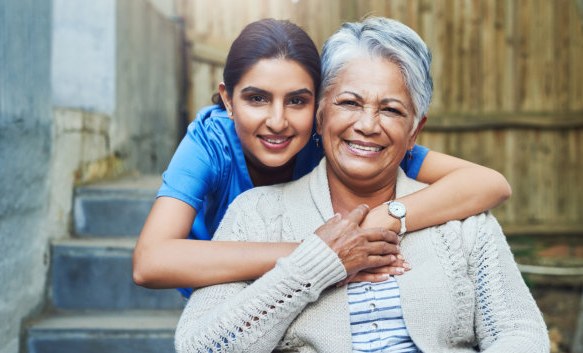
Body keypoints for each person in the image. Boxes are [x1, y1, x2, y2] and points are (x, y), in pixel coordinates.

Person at [174, 17, 549, 353]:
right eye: (350, 103)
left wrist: (388, 218)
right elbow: (201, 346)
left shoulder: (464, 222)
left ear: (415, 130)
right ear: (320, 115)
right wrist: (315, 264)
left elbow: (520, 331)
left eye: (391, 110)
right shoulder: (256, 213)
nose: (368, 125)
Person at [132, 18, 512, 297]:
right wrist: (319, 253)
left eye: (296, 100)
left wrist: (381, 220)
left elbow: (489, 183)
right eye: (256, 98)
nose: (277, 121)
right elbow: (150, 261)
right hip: (226, 292)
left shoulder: (338, 140)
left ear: (318, 107)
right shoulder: (211, 141)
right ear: (228, 99)